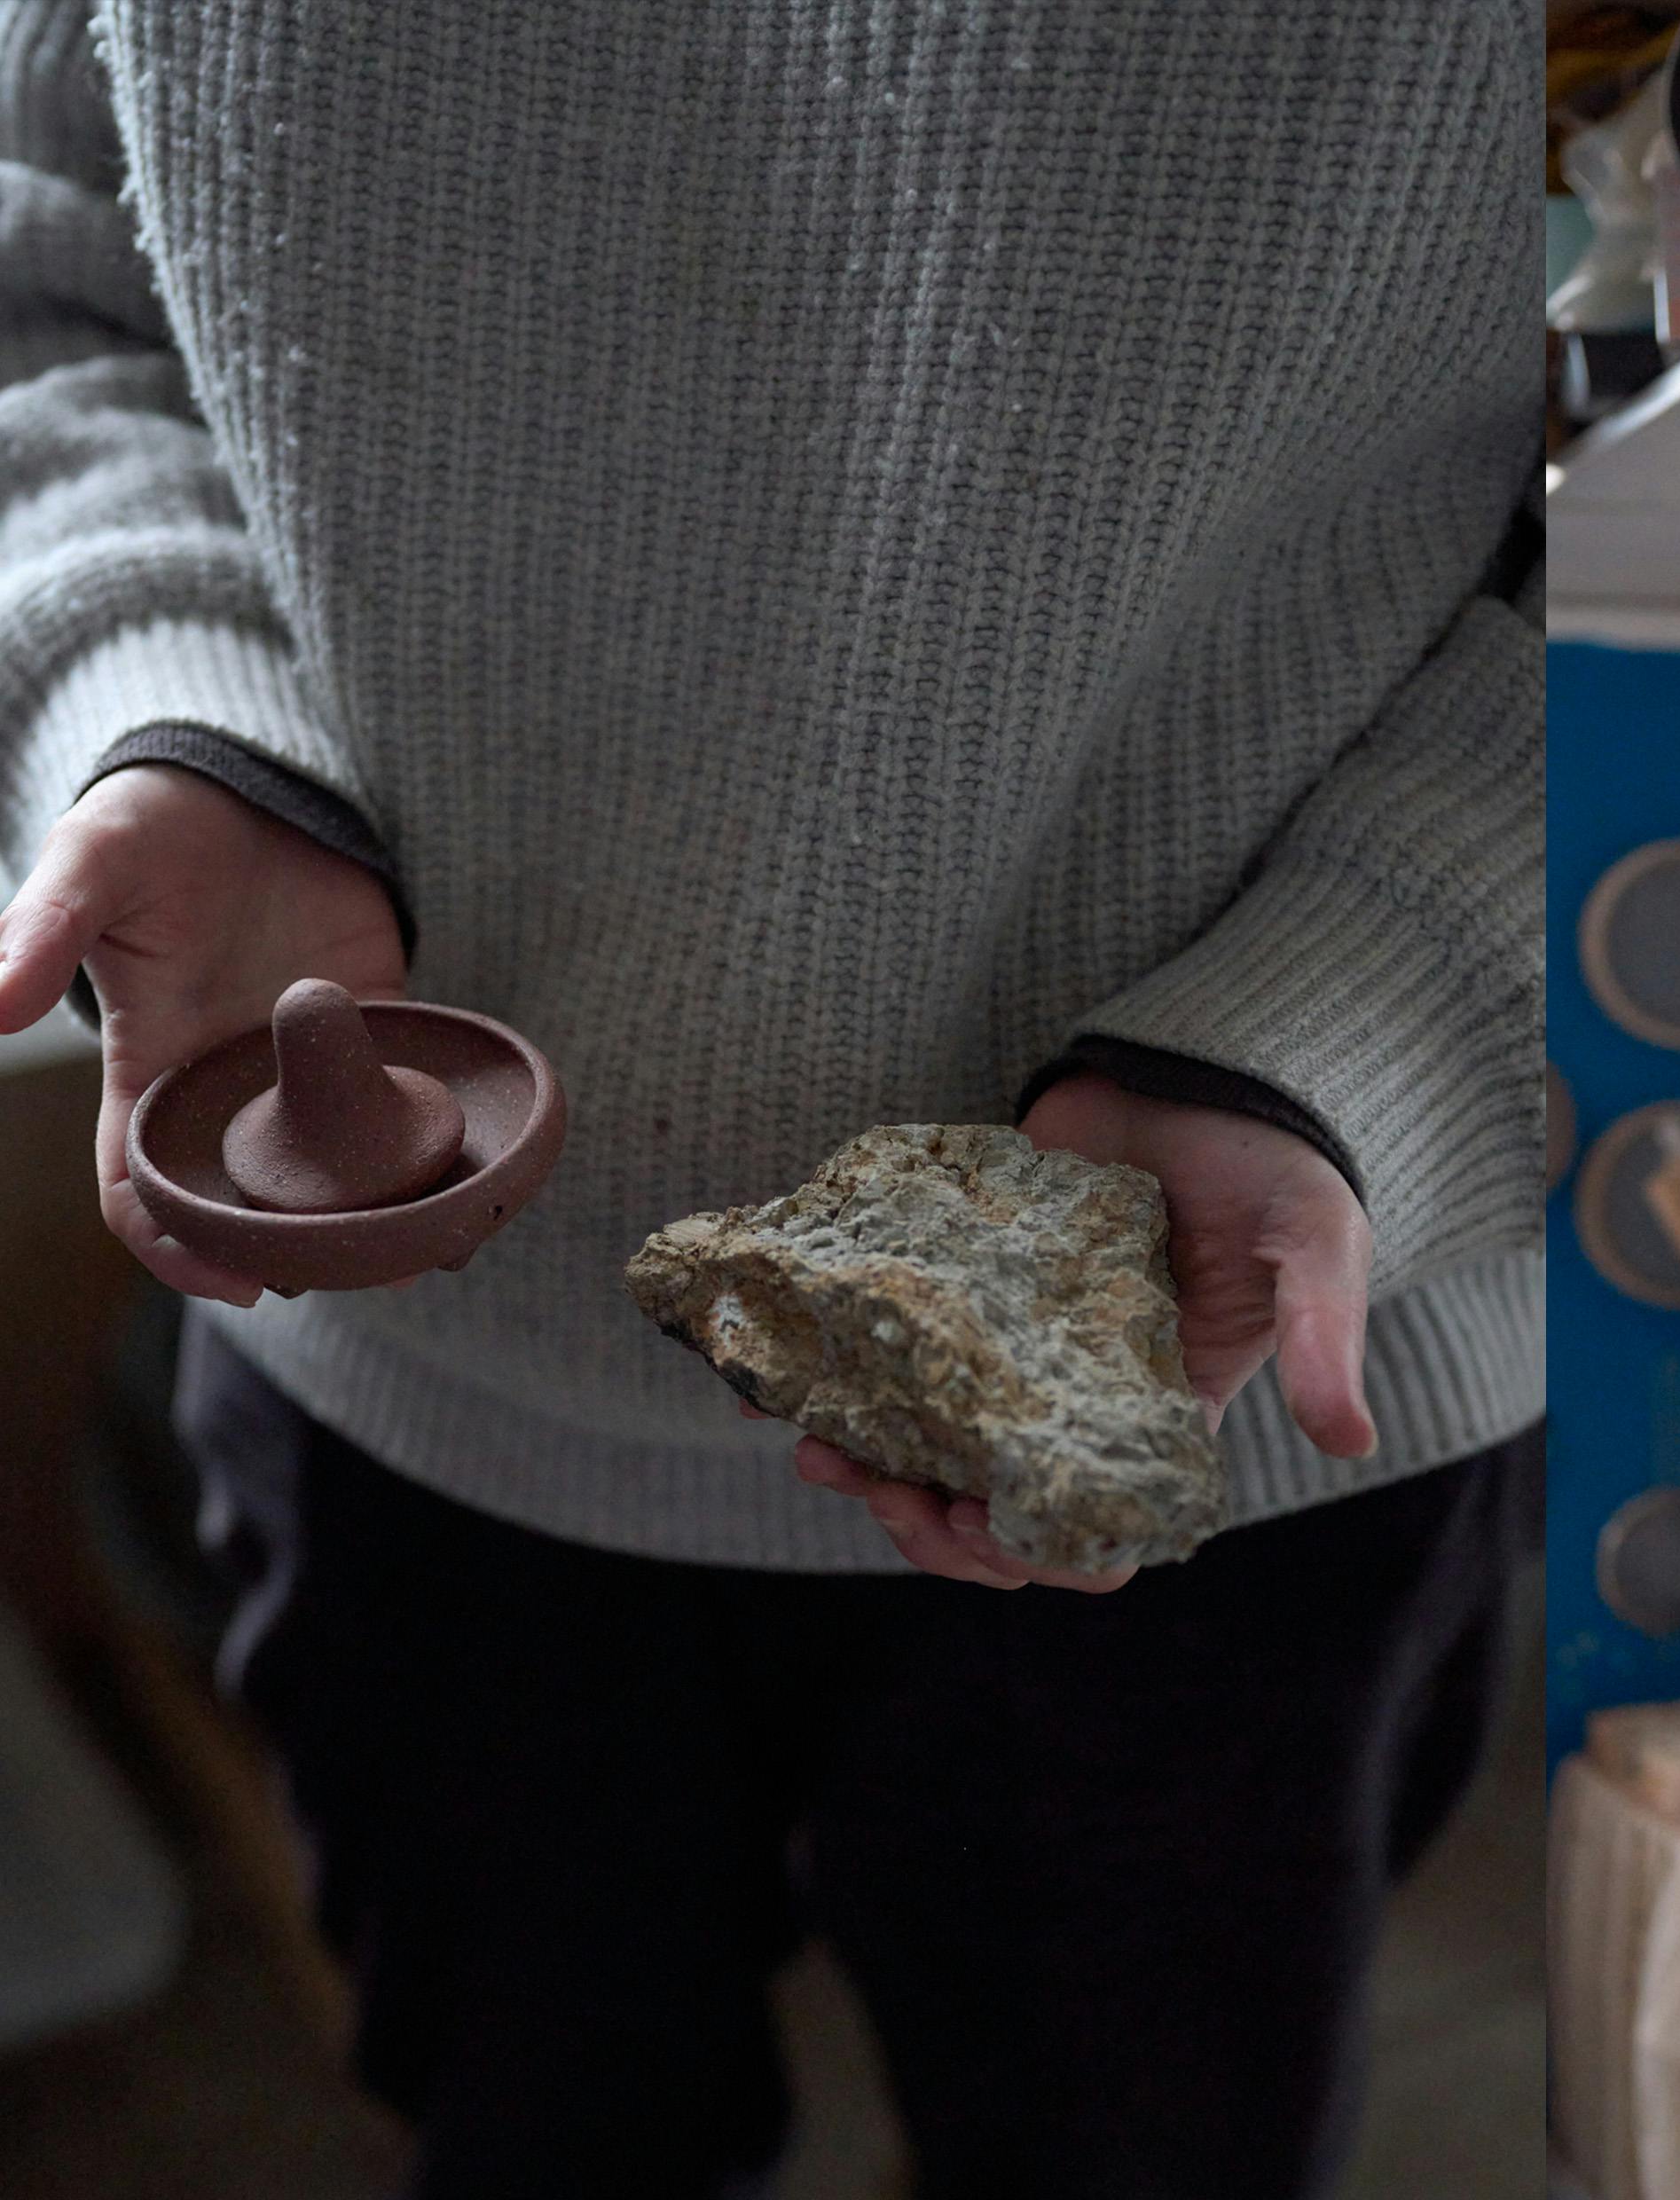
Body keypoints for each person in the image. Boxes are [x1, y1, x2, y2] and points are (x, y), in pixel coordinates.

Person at [0, 4, 1542, 2195]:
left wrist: (1368, 1010)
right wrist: (174, 712)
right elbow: (44, 271)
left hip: (1215, 1402)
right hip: (421, 1401)